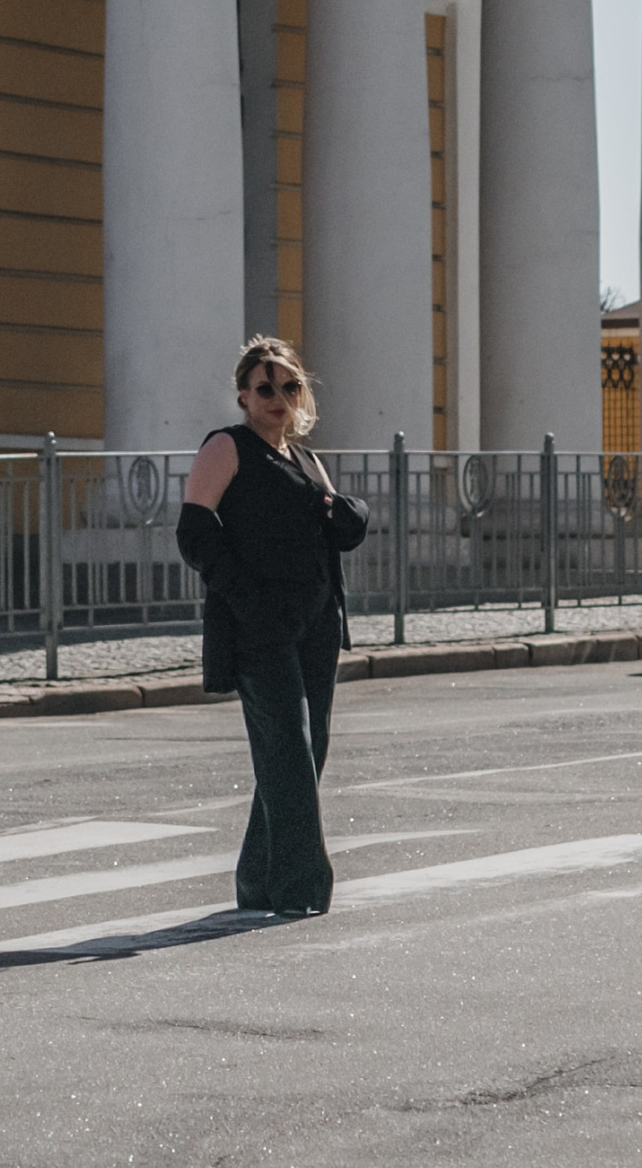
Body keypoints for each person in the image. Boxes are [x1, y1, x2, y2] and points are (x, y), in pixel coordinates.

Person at [175, 337, 369, 918]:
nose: (279, 397)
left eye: (289, 386)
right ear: (243, 395)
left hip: (316, 622)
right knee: (287, 747)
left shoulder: (307, 461)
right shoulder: (226, 447)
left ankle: (257, 881)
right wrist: (248, 600)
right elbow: (195, 533)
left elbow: (338, 527)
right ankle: (300, 888)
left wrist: (349, 513)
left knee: (308, 751)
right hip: (258, 625)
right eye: (266, 387)